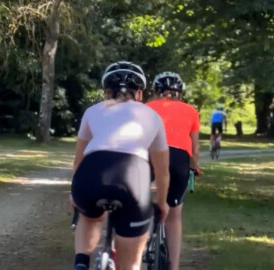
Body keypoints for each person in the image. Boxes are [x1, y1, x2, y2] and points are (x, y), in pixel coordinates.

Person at [71, 61, 170, 270]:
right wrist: (161, 203)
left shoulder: (92, 111)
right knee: (130, 263)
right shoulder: (153, 116)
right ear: (140, 94)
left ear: (107, 92)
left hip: (91, 172)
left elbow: (78, 161)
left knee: (89, 219)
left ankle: (81, 262)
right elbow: (162, 173)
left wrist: (75, 195)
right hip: (133, 175)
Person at [146, 71, 200, 270]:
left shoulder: (147, 107)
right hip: (179, 160)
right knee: (175, 215)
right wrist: (193, 167)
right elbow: (194, 151)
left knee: (137, 201)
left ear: (156, 91)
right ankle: (174, 266)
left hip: (150, 156)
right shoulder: (191, 111)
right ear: (180, 93)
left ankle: (137, 240)